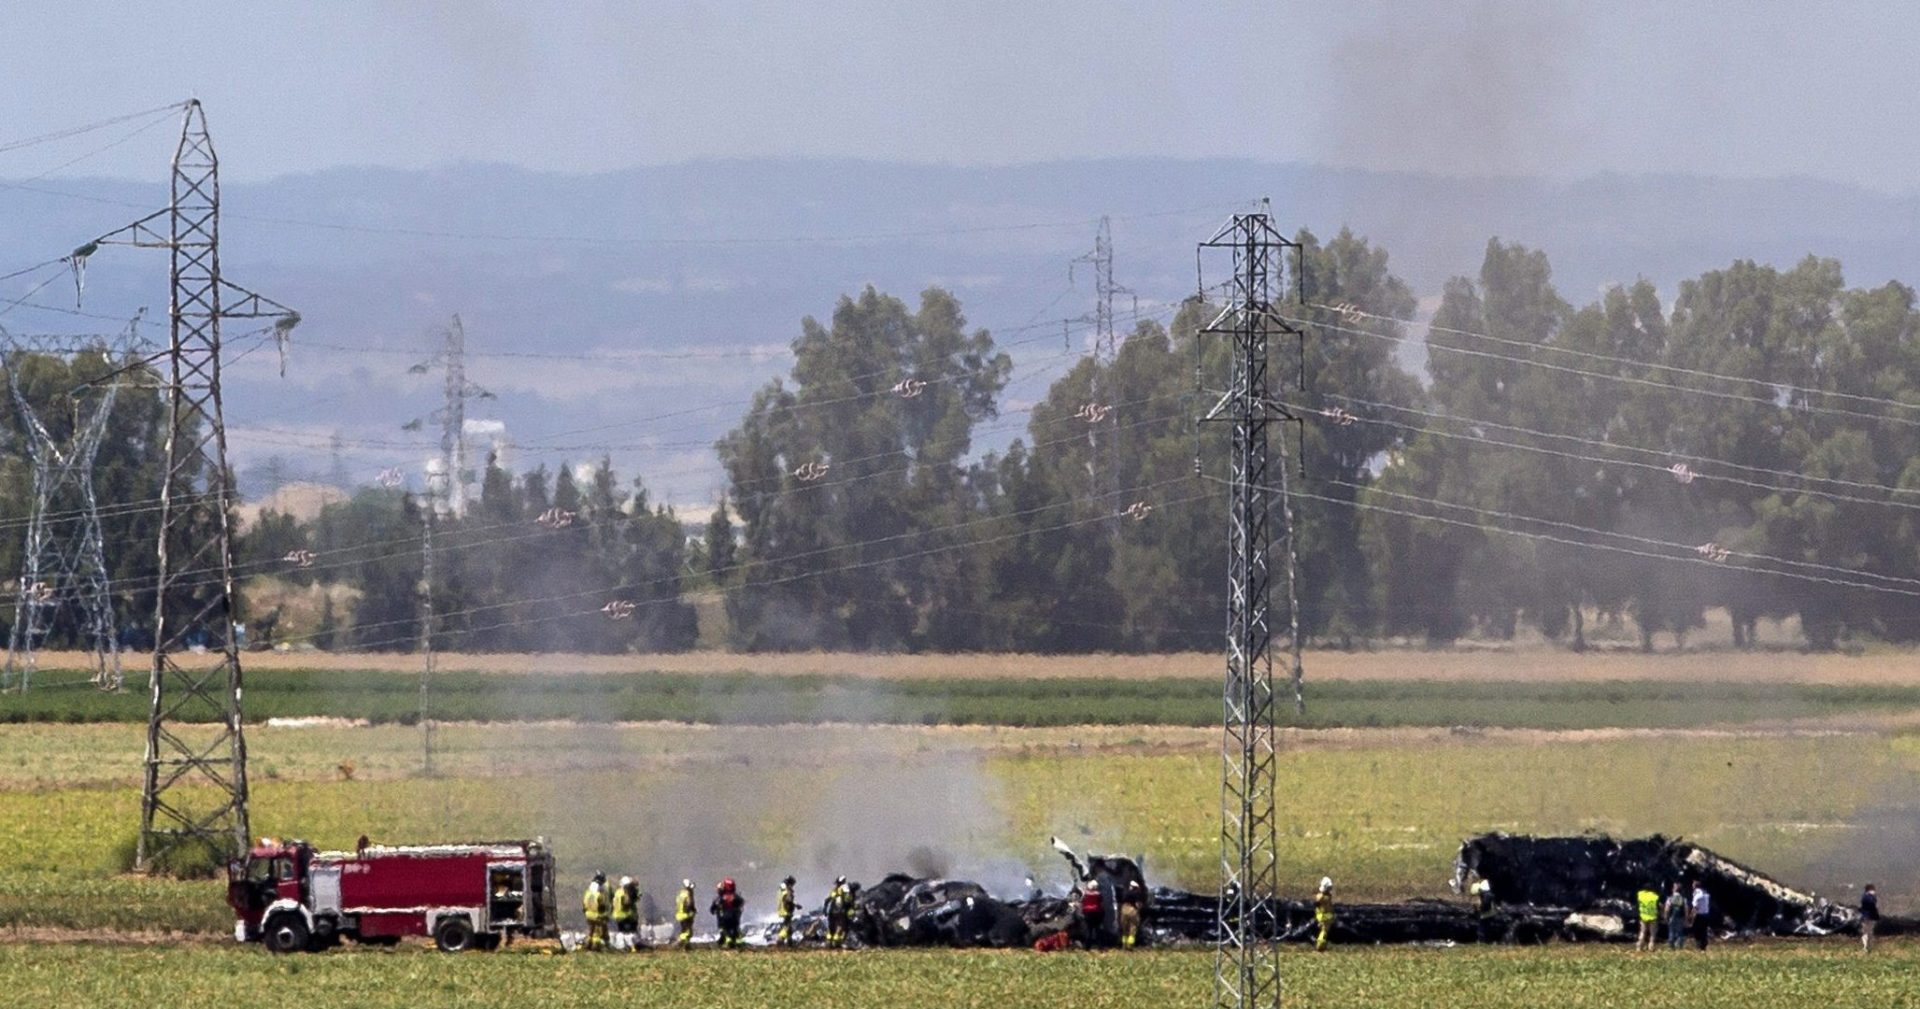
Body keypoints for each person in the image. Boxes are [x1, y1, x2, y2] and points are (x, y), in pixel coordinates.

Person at [711, 878, 745, 948]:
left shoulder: (720, 898)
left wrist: (713, 910)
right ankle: (738, 942)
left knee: (724, 929)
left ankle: (728, 940)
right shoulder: (736, 897)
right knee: (736, 929)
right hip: (735, 917)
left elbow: (713, 908)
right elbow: (741, 903)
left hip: (724, 917)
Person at [582, 871, 611, 952]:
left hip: (588, 915)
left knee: (590, 932)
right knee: (597, 934)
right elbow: (602, 905)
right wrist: (605, 915)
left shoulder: (588, 892)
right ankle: (595, 947)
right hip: (597, 916)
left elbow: (584, 904)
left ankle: (588, 945)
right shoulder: (599, 894)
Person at [611, 876, 640, 951]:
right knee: (628, 933)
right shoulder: (626, 893)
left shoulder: (618, 892)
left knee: (621, 932)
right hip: (626, 915)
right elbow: (626, 903)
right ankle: (630, 947)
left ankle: (621, 946)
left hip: (617, 915)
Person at [1116, 879, 1146, 949]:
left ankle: (1124, 945)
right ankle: (1130, 946)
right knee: (1132, 928)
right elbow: (1138, 904)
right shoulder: (1137, 894)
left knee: (1124, 929)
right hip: (1132, 910)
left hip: (1124, 910)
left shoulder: (1125, 893)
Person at [824, 876, 851, 949]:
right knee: (839, 927)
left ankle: (828, 943)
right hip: (840, 911)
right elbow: (847, 900)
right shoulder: (845, 888)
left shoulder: (834, 890)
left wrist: (825, 910)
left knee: (831, 928)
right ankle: (836, 943)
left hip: (831, 911)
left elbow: (827, 900)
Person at [1471, 877, 1498, 944]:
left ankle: (1483, 941)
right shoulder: (1487, 888)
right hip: (1491, 912)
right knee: (1489, 926)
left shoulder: (1486, 893)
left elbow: (1485, 904)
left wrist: (1480, 910)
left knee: (1483, 927)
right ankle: (1488, 940)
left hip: (1486, 914)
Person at [1663, 882, 1688, 951]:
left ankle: (1671, 947)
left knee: (1671, 931)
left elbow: (1667, 909)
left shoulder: (1670, 898)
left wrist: (1665, 917)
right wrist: (1686, 919)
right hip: (1680, 917)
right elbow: (1686, 909)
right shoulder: (1683, 899)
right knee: (1680, 932)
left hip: (1672, 917)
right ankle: (1679, 947)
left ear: (1674, 889)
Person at [1635, 884, 1660, 951]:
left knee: (1642, 932)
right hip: (1653, 916)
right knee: (1652, 933)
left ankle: (1639, 947)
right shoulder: (1654, 896)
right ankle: (1651, 947)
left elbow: (1638, 904)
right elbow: (1657, 906)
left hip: (1643, 916)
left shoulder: (1640, 894)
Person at [1313, 877, 1335, 952]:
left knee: (1324, 931)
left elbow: (1317, 905)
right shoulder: (1325, 897)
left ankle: (1322, 945)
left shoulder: (1321, 896)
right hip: (1325, 917)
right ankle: (1320, 946)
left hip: (1323, 916)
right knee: (1324, 932)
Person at [1689, 882, 1712, 950]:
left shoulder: (1697, 894)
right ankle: (1703, 945)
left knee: (1696, 930)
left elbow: (1695, 906)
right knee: (1704, 931)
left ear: (1695, 886)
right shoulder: (1706, 894)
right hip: (1706, 914)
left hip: (1699, 915)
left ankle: (1699, 945)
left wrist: (1691, 915)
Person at [776, 876, 799, 947]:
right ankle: (780, 939)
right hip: (787, 910)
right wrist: (796, 905)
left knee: (789, 927)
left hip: (781, 909)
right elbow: (788, 900)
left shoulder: (781, 890)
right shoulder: (787, 891)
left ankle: (790, 942)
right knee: (787, 926)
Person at [674, 879, 696, 950]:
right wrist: (692, 910)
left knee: (684, 930)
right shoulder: (688, 895)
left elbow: (678, 904)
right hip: (686, 915)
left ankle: (687, 946)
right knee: (688, 932)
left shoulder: (680, 894)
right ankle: (678, 943)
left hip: (680, 915)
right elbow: (689, 904)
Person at [1860, 884, 1880, 952]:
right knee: (1867, 932)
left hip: (1868, 917)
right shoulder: (1868, 897)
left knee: (1867, 933)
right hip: (1869, 917)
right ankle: (1866, 947)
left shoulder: (1866, 897)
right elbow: (1872, 905)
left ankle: (1867, 947)